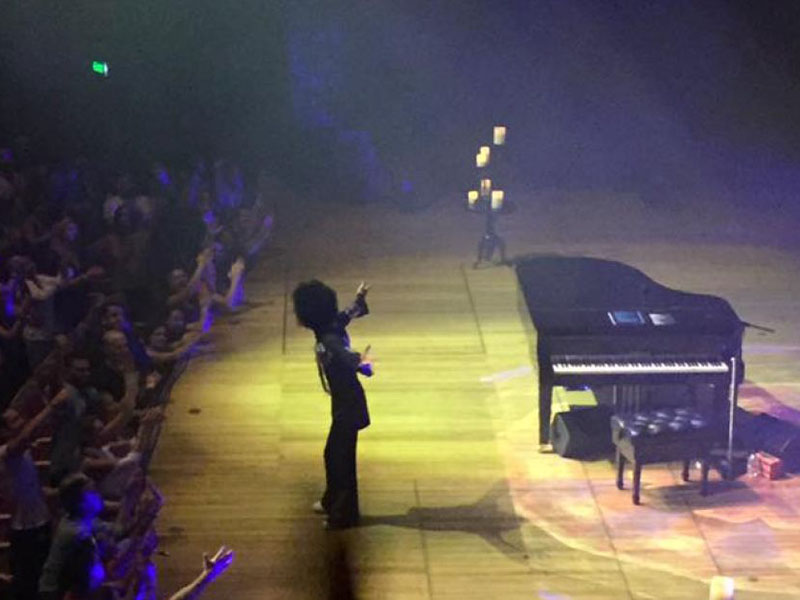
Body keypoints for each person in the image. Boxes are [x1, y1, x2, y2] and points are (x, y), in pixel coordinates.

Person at [292, 280, 373, 529]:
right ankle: (332, 502)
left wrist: (360, 362)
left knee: (340, 458)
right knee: (334, 454)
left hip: (347, 405)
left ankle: (344, 514)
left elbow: (344, 354)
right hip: (344, 402)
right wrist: (358, 299)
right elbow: (349, 314)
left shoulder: (328, 337)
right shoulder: (331, 326)